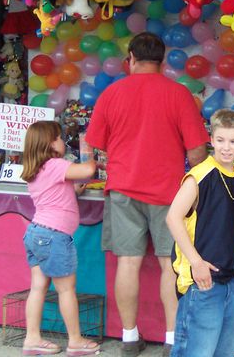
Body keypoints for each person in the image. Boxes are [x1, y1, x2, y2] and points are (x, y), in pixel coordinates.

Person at [86, 32, 209, 356]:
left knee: (128, 262)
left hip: (124, 188)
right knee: (171, 265)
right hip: (170, 193)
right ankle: (171, 340)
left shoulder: (112, 93)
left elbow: (93, 142)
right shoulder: (179, 94)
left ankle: (129, 337)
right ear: (163, 60)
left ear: (131, 58)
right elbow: (197, 150)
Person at [166, 109, 234, 357]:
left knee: (224, 351)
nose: (226, 148)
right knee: (196, 351)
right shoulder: (200, 176)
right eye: (221, 140)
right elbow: (173, 217)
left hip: (229, 279)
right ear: (211, 140)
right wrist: (196, 262)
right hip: (201, 281)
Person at [21, 120, 100, 356]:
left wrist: (73, 191)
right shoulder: (55, 164)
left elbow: (54, 193)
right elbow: (87, 170)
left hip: (36, 233)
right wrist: (92, 156)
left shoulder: (36, 168)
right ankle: (75, 340)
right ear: (49, 143)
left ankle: (32, 338)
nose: (62, 141)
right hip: (54, 237)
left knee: (38, 288)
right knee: (66, 290)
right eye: (58, 137)